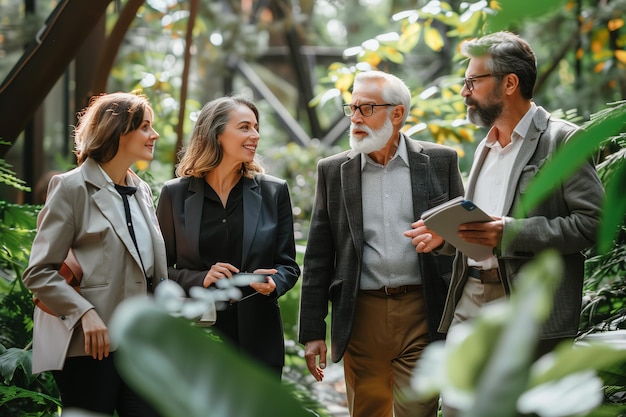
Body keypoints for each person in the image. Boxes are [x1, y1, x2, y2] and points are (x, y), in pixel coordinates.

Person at [405, 31, 605, 416]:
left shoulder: (563, 141)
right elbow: (483, 226)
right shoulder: (484, 146)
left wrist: (510, 233)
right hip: (470, 298)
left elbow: (592, 224)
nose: (464, 92)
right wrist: (445, 236)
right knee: (459, 408)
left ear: (509, 83)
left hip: (530, 308)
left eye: (473, 81)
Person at [298, 70, 464, 417]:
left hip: (424, 311)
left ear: (397, 114)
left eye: (366, 108)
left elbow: (461, 237)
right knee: (368, 412)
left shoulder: (441, 161)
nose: (355, 118)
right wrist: (313, 330)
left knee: (418, 411)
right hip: (361, 315)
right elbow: (318, 255)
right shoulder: (333, 171)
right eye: (352, 108)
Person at [22, 92, 168, 417]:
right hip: (90, 349)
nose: (154, 135)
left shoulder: (141, 190)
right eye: (145, 127)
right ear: (118, 130)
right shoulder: (70, 188)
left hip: (141, 344)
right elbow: (39, 272)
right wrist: (84, 312)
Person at [156, 96, 300, 378]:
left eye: (256, 128)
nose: (255, 135)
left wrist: (274, 282)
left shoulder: (275, 191)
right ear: (216, 134)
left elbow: (289, 265)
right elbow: (158, 271)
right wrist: (200, 278)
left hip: (259, 340)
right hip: (197, 337)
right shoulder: (174, 195)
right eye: (245, 127)